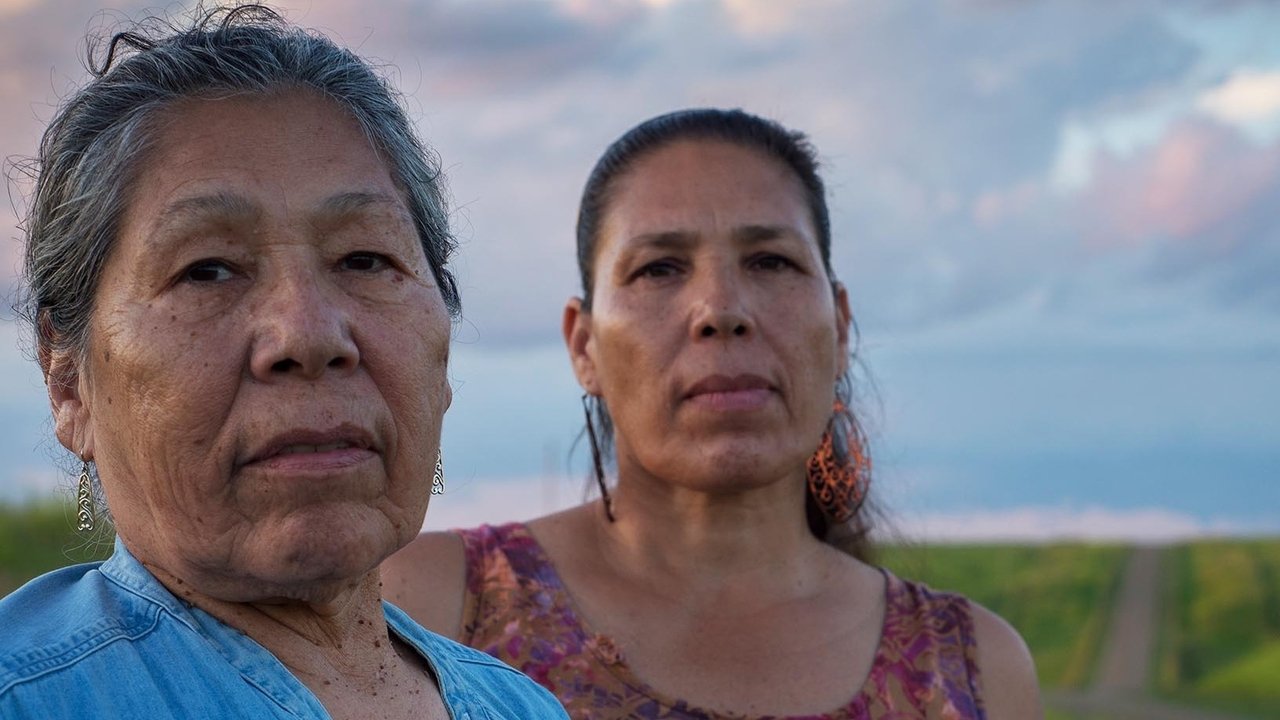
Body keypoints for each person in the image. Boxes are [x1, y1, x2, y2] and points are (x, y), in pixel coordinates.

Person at [0, 6, 568, 719]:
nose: (308, 335)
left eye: (366, 259)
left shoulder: (521, 706)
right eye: (207, 270)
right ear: (66, 380)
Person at [383, 108, 1043, 719]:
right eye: (660, 268)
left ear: (840, 328)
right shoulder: (430, 608)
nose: (722, 309)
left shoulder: (974, 669)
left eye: (770, 261)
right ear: (584, 345)